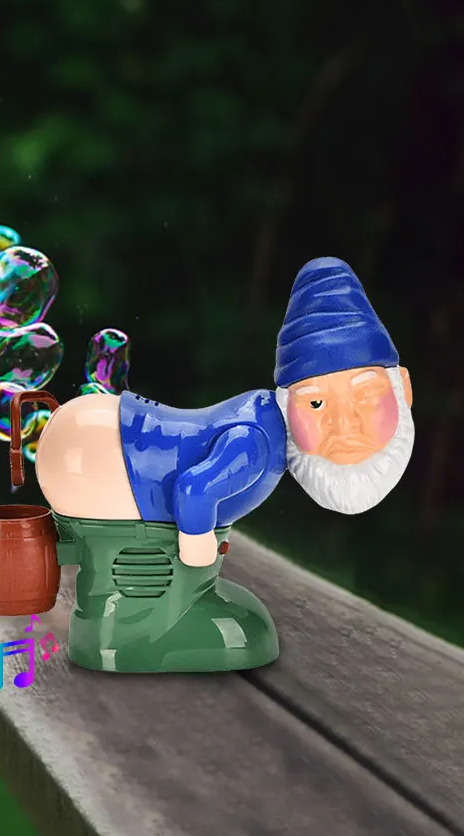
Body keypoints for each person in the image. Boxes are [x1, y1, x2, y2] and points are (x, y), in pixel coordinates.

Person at [31, 255, 413, 673]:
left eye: (364, 397)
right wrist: (196, 548)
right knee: (133, 555)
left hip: (94, 438)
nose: (343, 424)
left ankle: (163, 608)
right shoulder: (259, 443)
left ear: (404, 390)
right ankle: (135, 630)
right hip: (106, 455)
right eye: (317, 404)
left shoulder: (263, 420)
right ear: (289, 400)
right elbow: (194, 489)